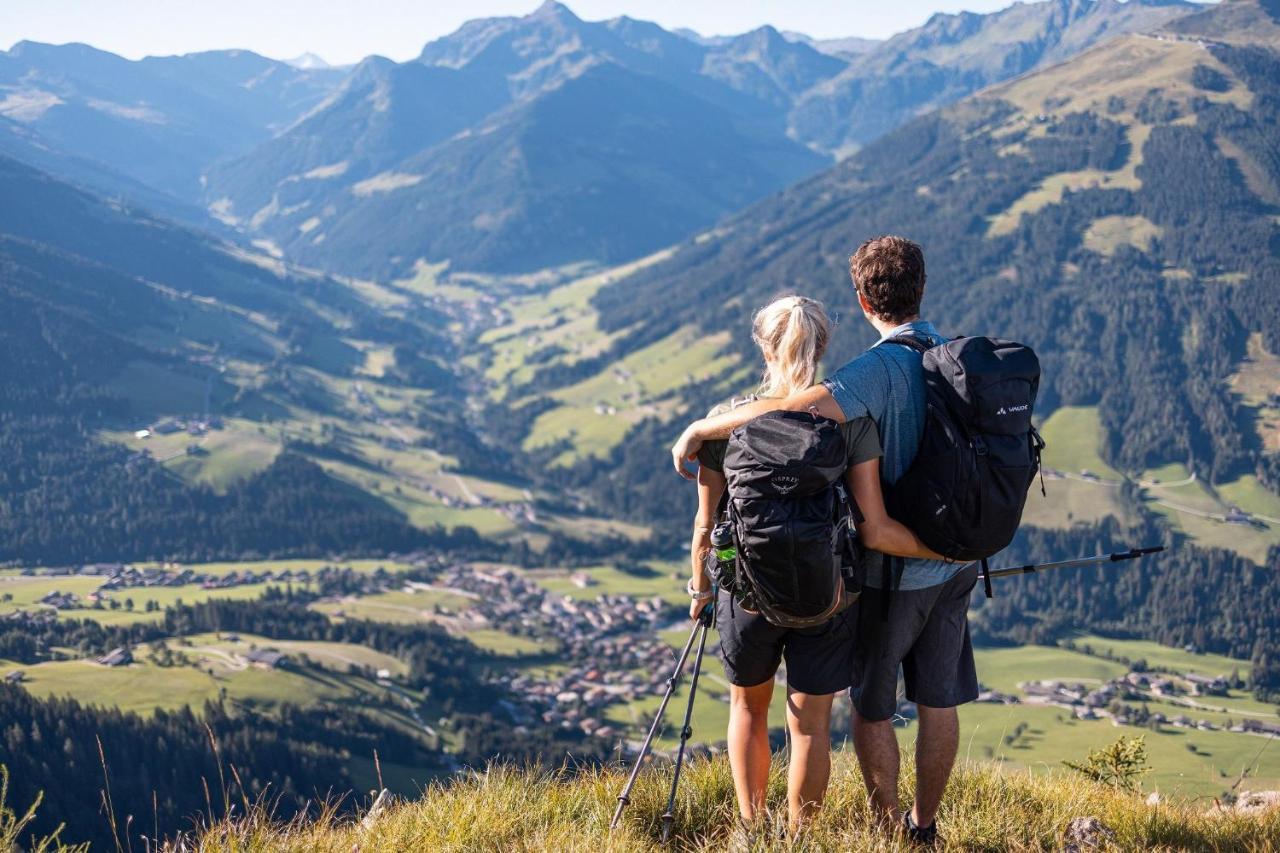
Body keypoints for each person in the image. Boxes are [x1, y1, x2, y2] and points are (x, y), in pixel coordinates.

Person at [675, 237, 978, 847]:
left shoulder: (726, 420)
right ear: (822, 345)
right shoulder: (852, 420)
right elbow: (870, 518)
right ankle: (801, 837)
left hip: (748, 593)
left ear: (763, 344)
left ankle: (751, 831)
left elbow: (707, 526)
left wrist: (701, 591)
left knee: (747, 710)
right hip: (829, 594)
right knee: (810, 725)